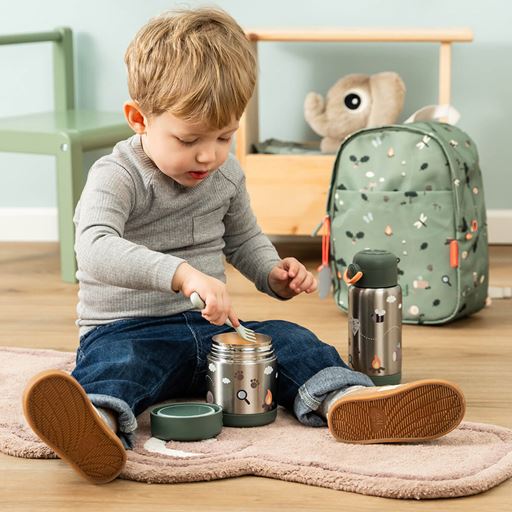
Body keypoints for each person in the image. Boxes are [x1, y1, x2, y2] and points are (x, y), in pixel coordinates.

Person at [22, 7, 465, 485]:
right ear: (138, 119)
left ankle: (349, 402)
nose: (208, 154)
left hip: (216, 331)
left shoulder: (225, 174)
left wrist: (272, 272)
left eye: (224, 136)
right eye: (188, 139)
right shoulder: (116, 176)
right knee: (120, 366)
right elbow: (94, 246)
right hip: (128, 329)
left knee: (292, 340)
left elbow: (244, 239)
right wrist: (181, 274)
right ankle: (95, 424)